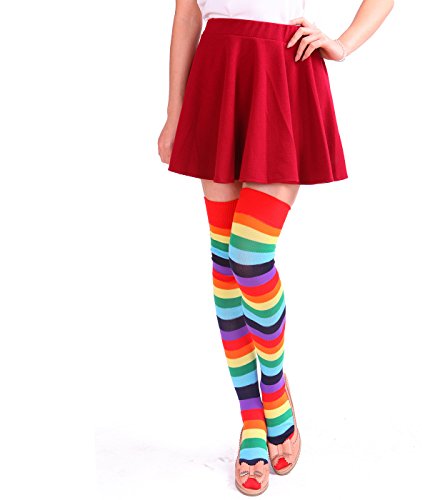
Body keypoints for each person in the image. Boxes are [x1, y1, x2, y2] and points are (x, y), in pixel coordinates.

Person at [158, 0, 394, 495]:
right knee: (226, 261)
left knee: (249, 256)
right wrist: (175, 111)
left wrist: (342, 44)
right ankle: (252, 421)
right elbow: (187, 13)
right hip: (217, 73)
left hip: (282, 72)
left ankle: (274, 391)